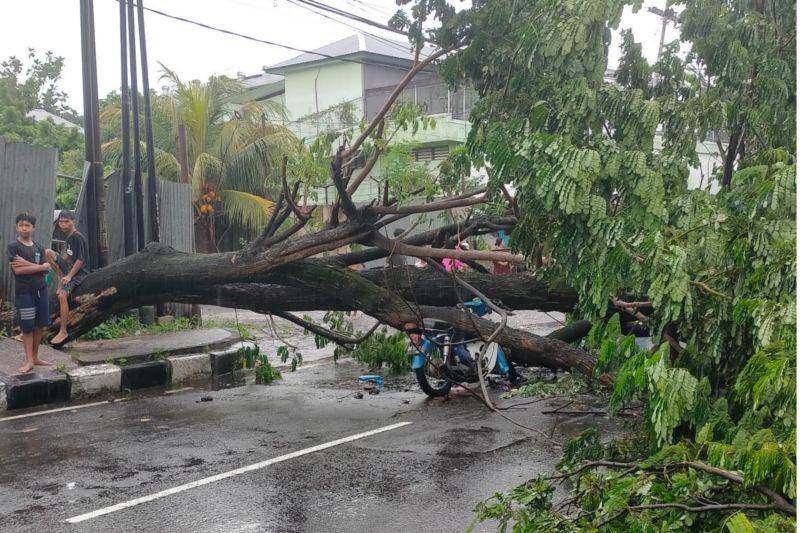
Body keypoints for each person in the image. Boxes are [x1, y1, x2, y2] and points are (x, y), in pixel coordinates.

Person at [7, 212, 53, 373]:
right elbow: (18, 271)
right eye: (21, 225)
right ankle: (28, 361)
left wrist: (33, 266)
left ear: (34, 228)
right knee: (27, 327)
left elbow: (48, 270)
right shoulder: (14, 247)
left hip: (41, 290)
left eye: (28, 225)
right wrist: (40, 267)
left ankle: (35, 357)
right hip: (24, 292)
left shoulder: (39, 247)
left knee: (39, 325)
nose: (24, 228)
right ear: (16, 226)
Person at [46, 210, 90, 345]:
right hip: (68, 269)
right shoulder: (69, 237)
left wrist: (70, 276)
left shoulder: (78, 237)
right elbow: (70, 256)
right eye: (61, 222)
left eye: (67, 222)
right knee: (48, 252)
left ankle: (63, 330)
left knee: (62, 296)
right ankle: (61, 278)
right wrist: (59, 260)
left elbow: (80, 260)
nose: (63, 225)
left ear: (73, 221)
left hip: (79, 273)